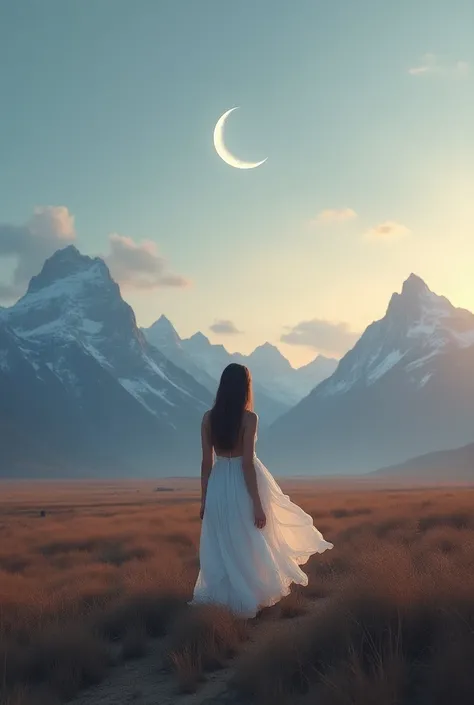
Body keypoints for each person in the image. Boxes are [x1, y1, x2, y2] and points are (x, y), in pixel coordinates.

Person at [191, 363, 333, 618]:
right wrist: (257, 503)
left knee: (223, 543)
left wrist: (204, 500)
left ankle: (226, 603)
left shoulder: (208, 418)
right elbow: (246, 464)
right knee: (250, 540)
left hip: (218, 485)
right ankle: (248, 599)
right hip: (241, 484)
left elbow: (206, 463)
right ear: (245, 387)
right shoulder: (249, 418)